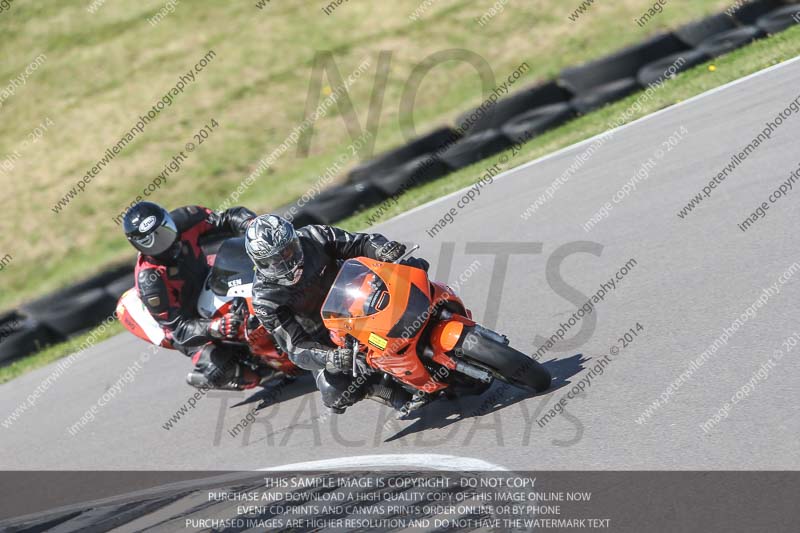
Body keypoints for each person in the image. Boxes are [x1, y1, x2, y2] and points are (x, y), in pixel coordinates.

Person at [246, 214, 426, 413]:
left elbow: (361, 243)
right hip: (323, 336)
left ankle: (438, 308)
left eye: (287, 251)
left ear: (295, 240)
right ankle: (388, 392)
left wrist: (382, 249)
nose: (284, 262)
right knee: (335, 392)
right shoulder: (265, 300)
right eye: (273, 260)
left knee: (410, 267)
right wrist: (330, 357)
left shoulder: (315, 236)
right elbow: (295, 348)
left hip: (358, 296)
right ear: (259, 263)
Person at [123, 201, 263, 390]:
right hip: (187, 319)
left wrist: (251, 224)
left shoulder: (187, 219)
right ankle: (208, 374)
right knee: (231, 373)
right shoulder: (151, 281)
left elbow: (226, 218)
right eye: (152, 241)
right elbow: (177, 330)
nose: (165, 242)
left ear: (168, 220)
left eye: (164, 231)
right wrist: (214, 327)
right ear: (138, 245)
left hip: (208, 279)